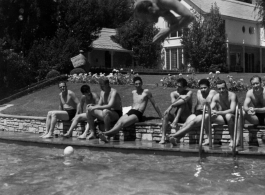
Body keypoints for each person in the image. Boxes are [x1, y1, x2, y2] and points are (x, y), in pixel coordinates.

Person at [98, 76, 163, 142]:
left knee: (122, 123)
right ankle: (107, 137)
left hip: (138, 113)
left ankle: (106, 134)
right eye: (136, 84)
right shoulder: (133, 92)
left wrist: (161, 116)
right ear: (134, 84)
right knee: (118, 122)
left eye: (139, 83)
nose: (138, 85)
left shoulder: (146, 92)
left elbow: (155, 104)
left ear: (142, 83)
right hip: (131, 111)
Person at [169, 79, 217, 146]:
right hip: (198, 111)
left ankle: (174, 135)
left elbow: (216, 104)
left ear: (209, 87)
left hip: (207, 113)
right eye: (201, 88)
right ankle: (177, 139)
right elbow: (198, 104)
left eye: (205, 88)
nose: (203, 89)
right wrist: (194, 113)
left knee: (193, 122)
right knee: (187, 122)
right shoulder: (198, 92)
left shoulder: (213, 92)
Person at [159, 78, 193, 144]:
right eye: (176, 86)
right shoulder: (173, 93)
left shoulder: (189, 92)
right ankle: (163, 137)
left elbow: (186, 98)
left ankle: (175, 120)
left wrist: (170, 107)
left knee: (183, 103)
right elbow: (173, 103)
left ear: (185, 87)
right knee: (166, 114)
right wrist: (179, 97)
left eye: (179, 87)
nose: (177, 88)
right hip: (177, 114)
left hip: (186, 116)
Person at [205, 80, 238, 147]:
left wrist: (218, 112)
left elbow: (232, 110)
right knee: (206, 116)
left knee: (228, 115)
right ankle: (209, 138)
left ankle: (232, 139)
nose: (221, 90)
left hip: (234, 117)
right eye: (219, 89)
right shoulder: (216, 96)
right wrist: (211, 112)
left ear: (226, 87)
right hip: (223, 117)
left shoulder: (232, 95)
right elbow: (210, 108)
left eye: (223, 88)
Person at [243, 75, 265, 146]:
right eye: (253, 84)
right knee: (242, 112)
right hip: (257, 118)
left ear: (261, 83)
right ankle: (239, 138)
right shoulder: (250, 93)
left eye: (257, 83)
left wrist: (255, 109)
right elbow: (245, 107)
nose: (255, 85)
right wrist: (250, 110)